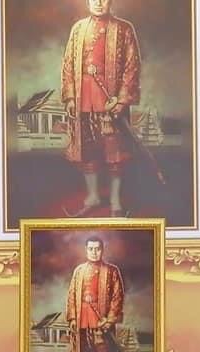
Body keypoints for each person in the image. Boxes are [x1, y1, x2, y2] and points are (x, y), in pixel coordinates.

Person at [60, 0, 140, 215]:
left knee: (115, 152)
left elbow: (132, 67)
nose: (98, 3)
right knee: (88, 150)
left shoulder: (124, 29)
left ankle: (115, 202)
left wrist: (122, 100)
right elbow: (68, 64)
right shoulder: (78, 29)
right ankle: (93, 197)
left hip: (111, 100)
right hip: (82, 98)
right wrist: (69, 98)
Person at [64, 237, 126, 352]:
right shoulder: (79, 271)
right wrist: (73, 318)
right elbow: (71, 295)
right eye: (90, 249)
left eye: (97, 248)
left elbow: (117, 297)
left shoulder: (112, 271)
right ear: (86, 250)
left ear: (102, 250)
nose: (94, 252)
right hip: (82, 318)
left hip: (102, 320)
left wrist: (110, 319)